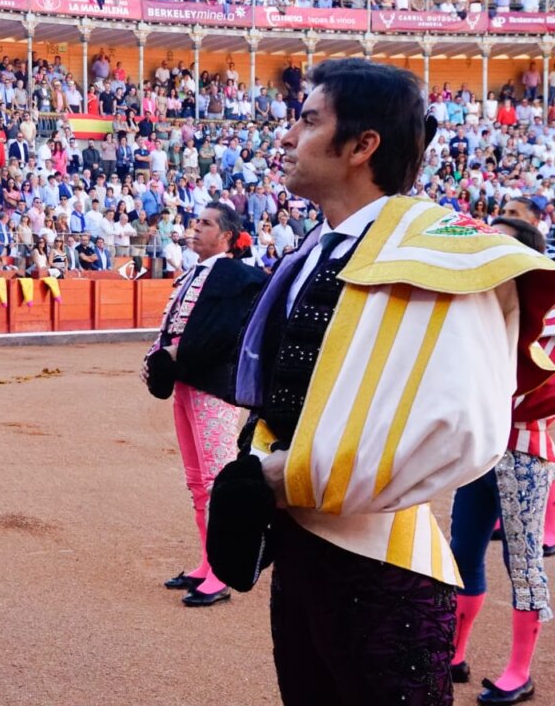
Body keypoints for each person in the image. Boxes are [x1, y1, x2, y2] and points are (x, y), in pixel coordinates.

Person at [221, 59, 555, 705]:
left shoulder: (446, 256)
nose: (287, 136)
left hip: (386, 569)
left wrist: (285, 476)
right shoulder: (311, 251)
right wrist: (255, 461)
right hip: (300, 554)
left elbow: (467, 427)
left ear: (362, 145)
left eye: (308, 120)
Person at [448, 217, 555, 705]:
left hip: (523, 451)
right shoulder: (480, 307)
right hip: (480, 449)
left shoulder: (546, 315)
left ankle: (519, 671)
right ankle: (455, 653)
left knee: (523, 559)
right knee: (463, 551)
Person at [143, 203, 267, 608]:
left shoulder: (236, 276)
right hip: (186, 384)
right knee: (198, 481)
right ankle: (207, 563)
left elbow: (226, 333)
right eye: (196, 222)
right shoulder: (194, 274)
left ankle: (221, 574)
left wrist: (179, 355)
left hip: (213, 387)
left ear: (226, 237)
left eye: (206, 224)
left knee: (216, 481)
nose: (195, 228)